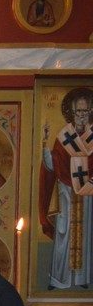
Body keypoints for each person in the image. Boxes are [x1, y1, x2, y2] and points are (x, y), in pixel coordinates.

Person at [39, 87, 92, 290]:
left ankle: (81, 279)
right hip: (66, 194)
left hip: (87, 195)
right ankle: (58, 279)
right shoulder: (64, 137)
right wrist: (45, 146)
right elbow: (53, 164)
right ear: (72, 112)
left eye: (85, 111)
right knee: (63, 233)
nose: (82, 115)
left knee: (85, 235)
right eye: (78, 111)